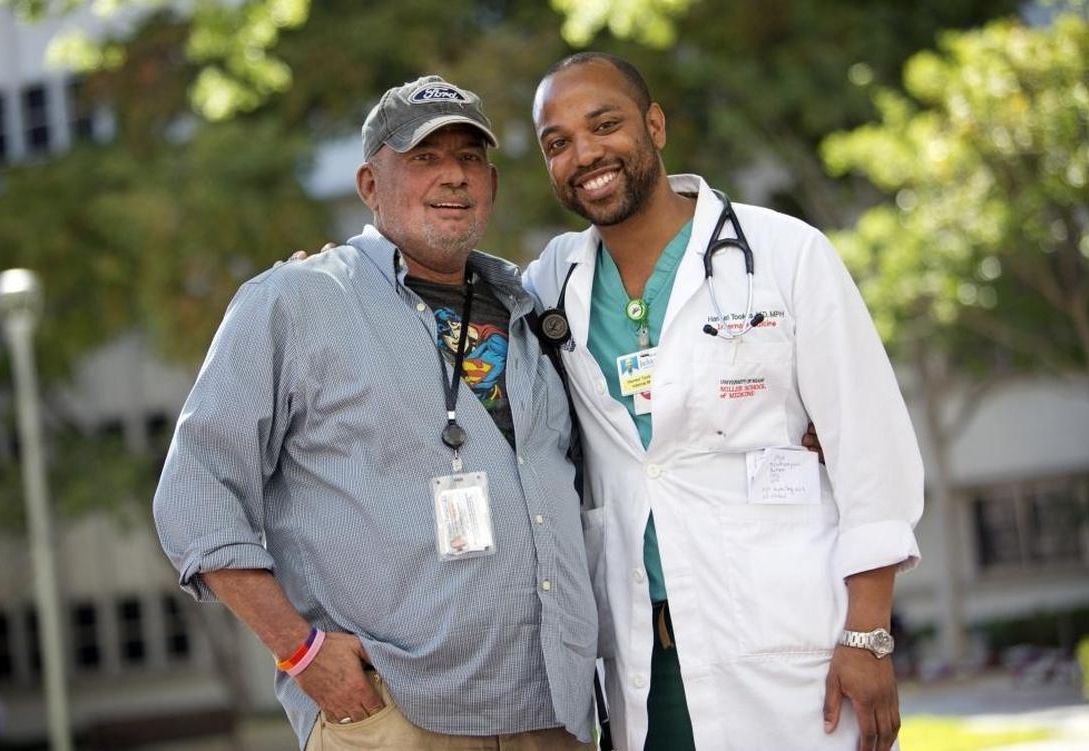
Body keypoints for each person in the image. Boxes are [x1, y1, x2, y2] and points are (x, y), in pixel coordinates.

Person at [153, 75, 597, 751]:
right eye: (424, 157)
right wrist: (302, 652)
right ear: (369, 184)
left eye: (469, 157)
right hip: (394, 714)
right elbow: (195, 495)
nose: (453, 175)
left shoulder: (533, 309)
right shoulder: (298, 301)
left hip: (551, 715)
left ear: (492, 183)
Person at [523, 53, 925, 751]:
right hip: (646, 664)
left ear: (655, 125)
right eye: (558, 143)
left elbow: (871, 449)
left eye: (605, 125)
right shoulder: (552, 281)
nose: (584, 155)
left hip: (792, 659)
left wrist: (868, 633)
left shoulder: (785, 254)